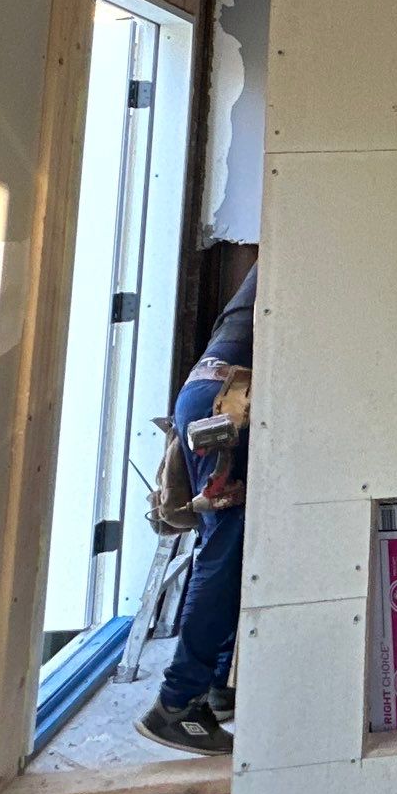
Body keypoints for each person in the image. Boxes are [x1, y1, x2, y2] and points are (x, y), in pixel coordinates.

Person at [140, 264, 255, 754]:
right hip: (230, 402)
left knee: (229, 548)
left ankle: (216, 687)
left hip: (215, 393)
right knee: (225, 557)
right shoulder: (319, 233)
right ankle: (176, 705)